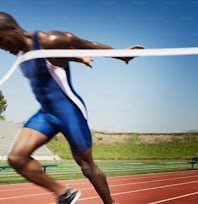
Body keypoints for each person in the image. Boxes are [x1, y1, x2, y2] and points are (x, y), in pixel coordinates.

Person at [0, 12, 143, 204]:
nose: (2, 47)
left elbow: (86, 45)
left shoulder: (49, 40)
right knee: (17, 159)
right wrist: (78, 58)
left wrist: (120, 55)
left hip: (70, 112)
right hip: (46, 114)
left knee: (86, 165)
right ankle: (64, 194)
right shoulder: (22, 53)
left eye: (1, 41)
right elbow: (61, 56)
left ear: (13, 30)